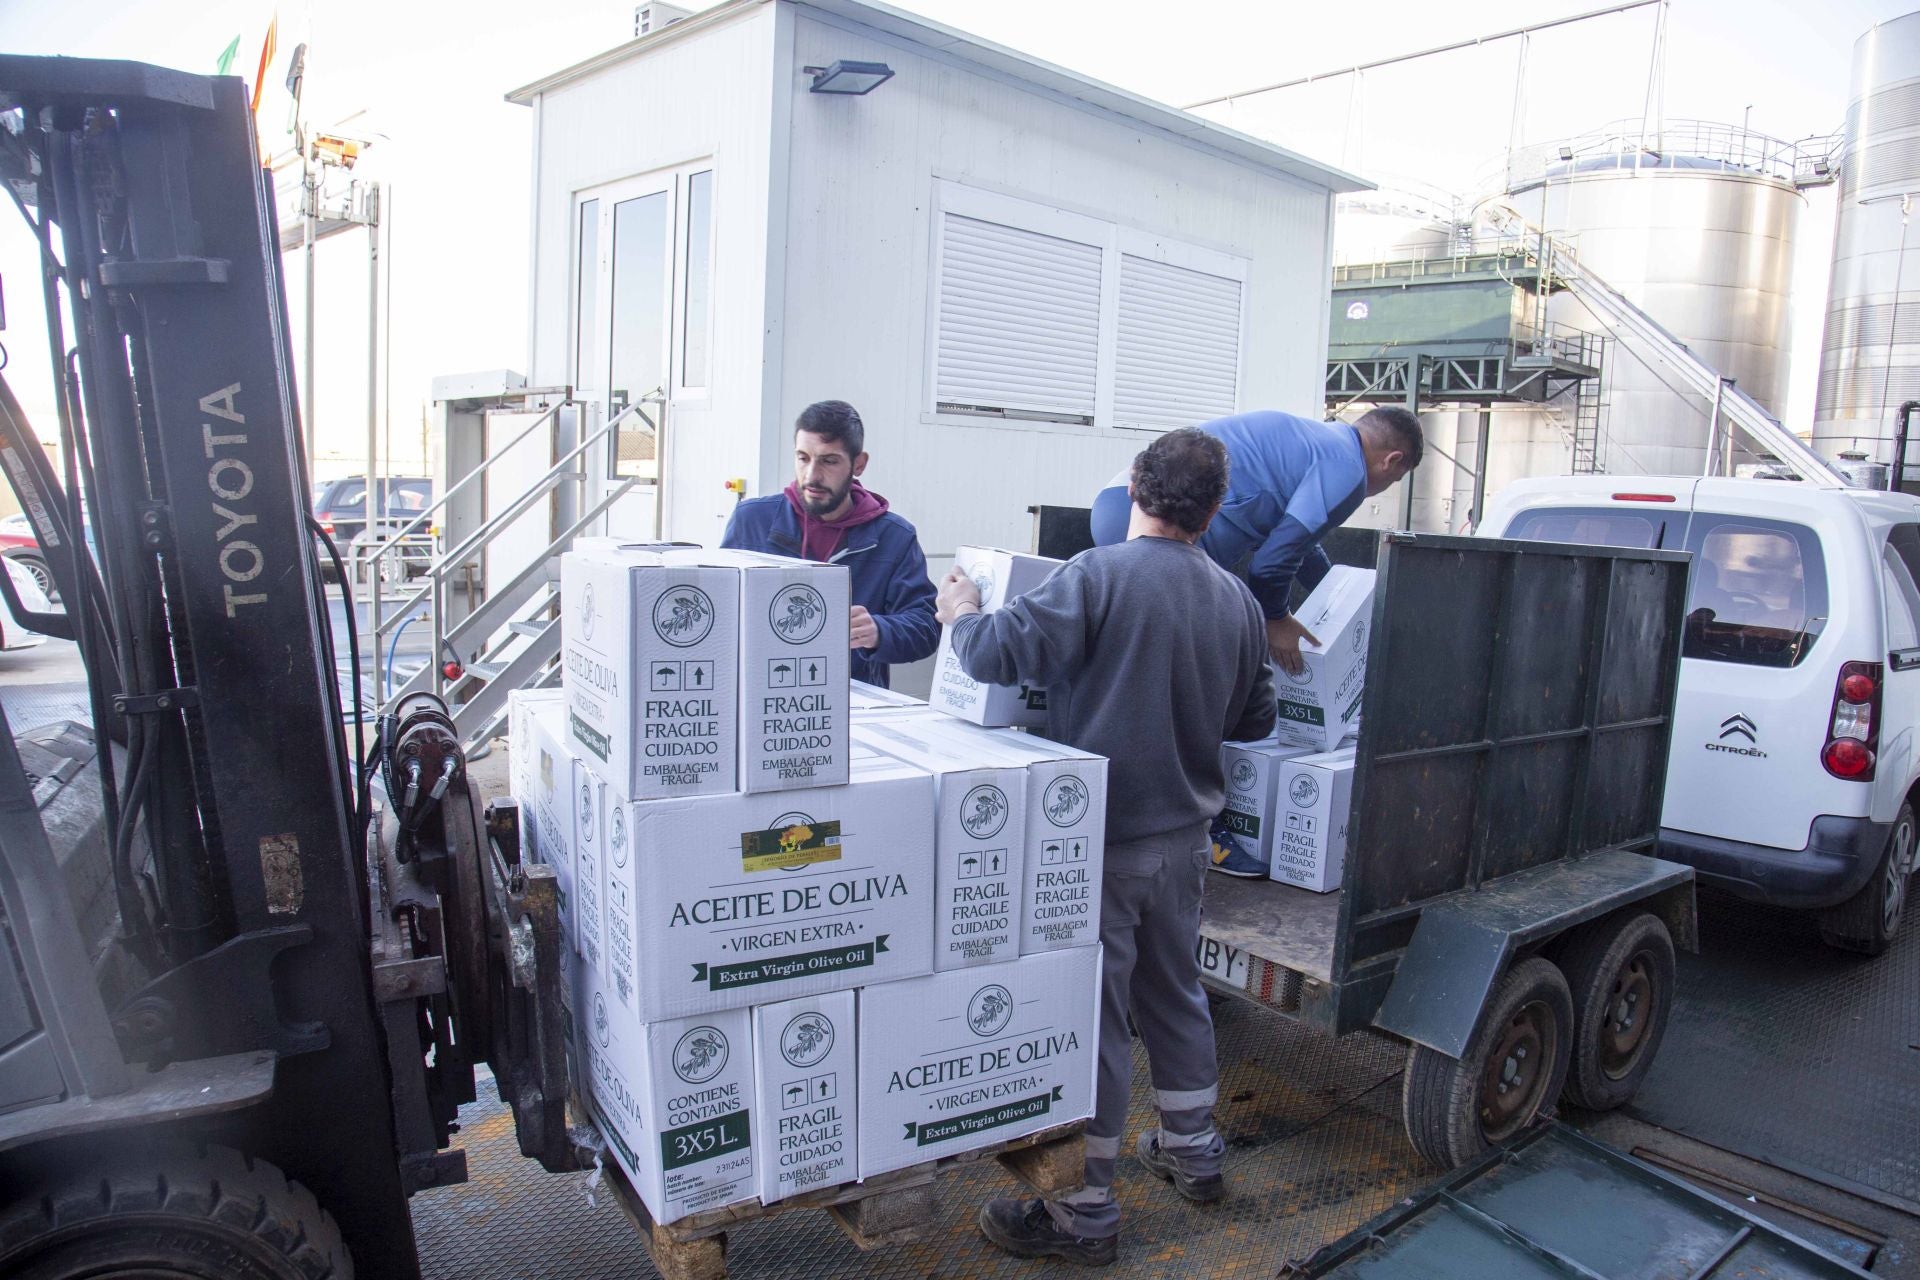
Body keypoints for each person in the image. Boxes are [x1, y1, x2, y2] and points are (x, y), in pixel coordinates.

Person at [936, 428, 1276, 1267]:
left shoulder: (1096, 576)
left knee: (1095, 1024)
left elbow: (990, 655)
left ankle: (1085, 1213)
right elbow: (1259, 718)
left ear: (1134, 488)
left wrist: (959, 610)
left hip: (1105, 846)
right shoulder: (1235, 599)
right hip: (1187, 844)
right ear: (1217, 508)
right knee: (1174, 997)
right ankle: (1194, 1155)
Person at [1088, 407, 1423, 676]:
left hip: (1119, 502)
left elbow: (1298, 549)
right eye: (1396, 478)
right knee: (1198, 659)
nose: (1386, 485)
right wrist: (1276, 619)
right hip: (1156, 526)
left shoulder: (1321, 440)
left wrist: (1341, 599)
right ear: (1391, 460)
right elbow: (1271, 564)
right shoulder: (1349, 471)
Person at [722, 400, 939, 687]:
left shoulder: (895, 537)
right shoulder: (751, 520)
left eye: (829, 461)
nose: (812, 475)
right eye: (803, 458)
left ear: (858, 464)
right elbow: (720, 610)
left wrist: (879, 630)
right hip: (758, 694)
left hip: (853, 706)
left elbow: (926, 627)